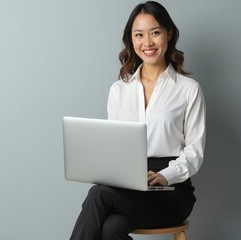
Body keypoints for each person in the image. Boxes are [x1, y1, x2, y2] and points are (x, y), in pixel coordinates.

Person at [69, 1, 206, 240]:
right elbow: (113, 146)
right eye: (139, 35)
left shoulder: (188, 89)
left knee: (98, 195)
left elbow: (195, 152)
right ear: (131, 40)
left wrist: (166, 175)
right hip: (130, 187)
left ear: (169, 34)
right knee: (110, 229)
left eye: (155, 32)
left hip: (172, 191)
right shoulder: (119, 90)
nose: (148, 42)